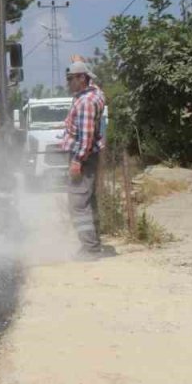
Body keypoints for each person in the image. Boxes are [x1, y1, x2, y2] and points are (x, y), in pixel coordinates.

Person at [62, 60, 113, 259]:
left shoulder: (85, 102)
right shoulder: (96, 94)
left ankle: (90, 248)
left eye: (70, 79)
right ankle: (94, 244)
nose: (68, 83)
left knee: (78, 203)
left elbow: (86, 136)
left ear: (82, 78)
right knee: (89, 201)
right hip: (90, 156)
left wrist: (77, 161)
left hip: (83, 158)